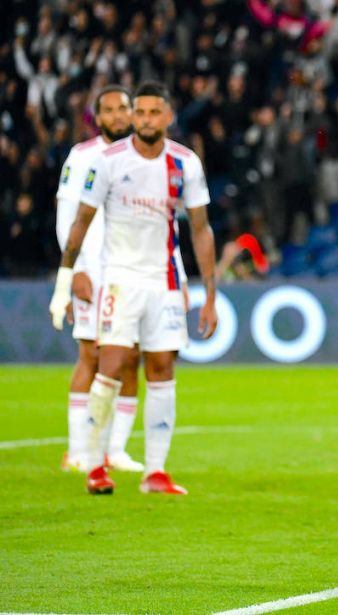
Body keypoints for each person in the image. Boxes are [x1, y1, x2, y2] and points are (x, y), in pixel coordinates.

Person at [49, 81, 218, 496]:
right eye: (139, 113)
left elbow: (200, 229)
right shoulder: (106, 161)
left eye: (152, 113)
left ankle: (155, 472)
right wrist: (66, 279)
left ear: (168, 116)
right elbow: (80, 222)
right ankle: (92, 463)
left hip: (163, 283)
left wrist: (209, 295)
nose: (144, 120)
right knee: (110, 365)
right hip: (119, 281)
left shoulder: (186, 163)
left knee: (162, 369)